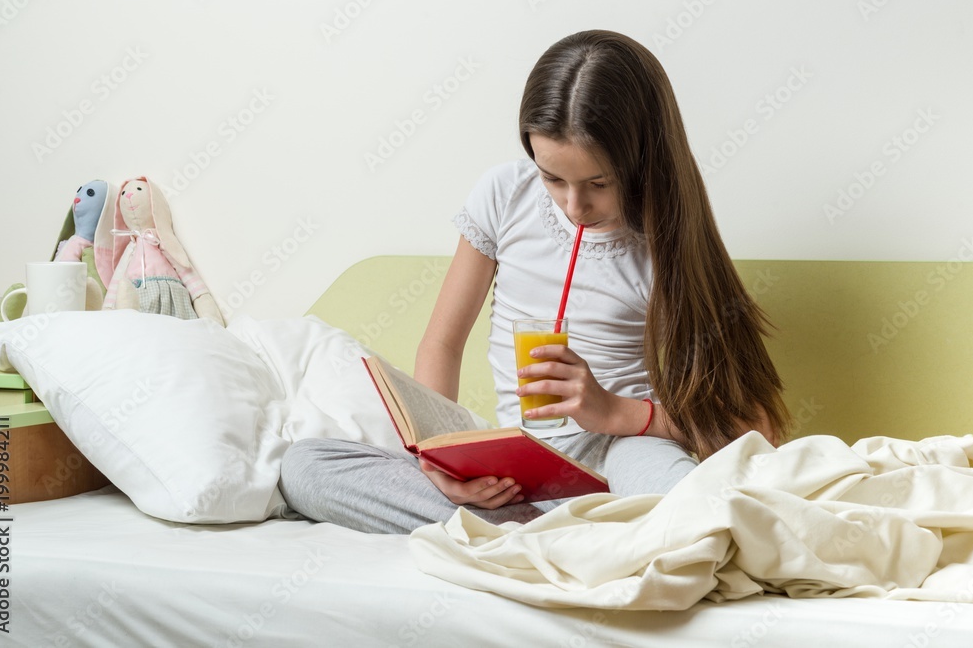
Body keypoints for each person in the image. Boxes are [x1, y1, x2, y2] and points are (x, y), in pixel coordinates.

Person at [279, 29, 789, 534]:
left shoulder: (668, 241)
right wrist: (440, 461)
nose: (574, 206)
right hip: (516, 460)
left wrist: (617, 413)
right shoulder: (504, 196)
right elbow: (443, 343)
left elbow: (754, 424)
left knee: (687, 510)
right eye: (552, 178)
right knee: (307, 467)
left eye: (599, 183)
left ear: (642, 159)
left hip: (622, 452)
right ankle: (555, 536)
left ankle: (521, 536)